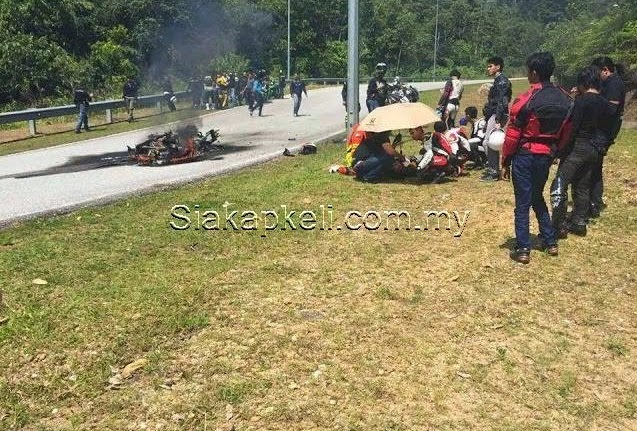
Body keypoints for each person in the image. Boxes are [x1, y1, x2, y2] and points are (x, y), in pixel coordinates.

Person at [500, 51, 572, 263]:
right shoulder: (566, 98)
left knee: (522, 202)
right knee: (537, 196)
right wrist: (556, 151)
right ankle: (550, 242)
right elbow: (567, 131)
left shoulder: (526, 99)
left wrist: (505, 160)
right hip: (547, 155)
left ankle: (523, 248)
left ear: (533, 72)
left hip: (525, 155)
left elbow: (513, 135)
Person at [550, 66, 610, 238]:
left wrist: (560, 151)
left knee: (559, 185)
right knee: (582, 185)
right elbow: (607, 129)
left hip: (578, 146)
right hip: (595, 149)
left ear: (584, 83)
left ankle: (559, 225)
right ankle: (579, 222)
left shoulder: (582, 101)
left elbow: (572, 129)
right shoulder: (605, 103)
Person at [588, 56, 626, 217]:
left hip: (604, 131)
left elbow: (610, 110)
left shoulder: (615, 84)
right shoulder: (607, 83)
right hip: (600, 130)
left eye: (598, 73)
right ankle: (593, 200)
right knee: (594, 166)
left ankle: (594, 202)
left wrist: (593, 101)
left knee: (594, 167)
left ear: (605, 70)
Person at [481, 56, 512, 182]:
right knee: (487, 142)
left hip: (497, 115)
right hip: (493, 114)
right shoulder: (497, 80)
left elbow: (502, 102)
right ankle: (495, 168)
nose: (488, 68)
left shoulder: (502, 81)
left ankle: (495, 171)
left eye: (490, 66)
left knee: (490, 142)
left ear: (498, 67)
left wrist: (498, 119)